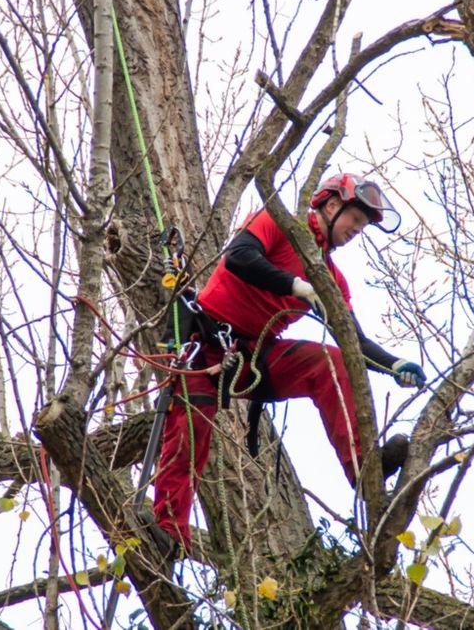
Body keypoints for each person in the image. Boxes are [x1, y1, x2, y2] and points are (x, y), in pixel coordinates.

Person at [146, 173, 426, 559]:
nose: (356, 231)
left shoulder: (331, 279)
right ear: (331, 206)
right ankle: (169, 534)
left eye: (362, 227)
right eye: (355, 220)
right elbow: (239, 257)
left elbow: (355, 343)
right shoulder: (277, 223)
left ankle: (365, 471)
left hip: (255, 358)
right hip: (207, 344)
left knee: (331, 362)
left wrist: (396, 364)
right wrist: (296, 285)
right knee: (189, 435)